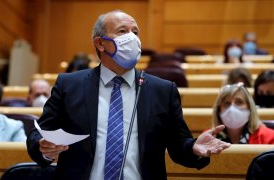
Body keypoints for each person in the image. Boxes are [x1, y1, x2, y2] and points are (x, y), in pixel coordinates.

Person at [27, 10, 230, 179]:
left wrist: (194, 147)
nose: (132, 38)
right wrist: (42, 147)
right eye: (122, 31)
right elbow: (40, 132)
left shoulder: (162, 90)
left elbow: (178, 146)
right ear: (100, 43)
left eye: (135, 32)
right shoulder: (70, 85)